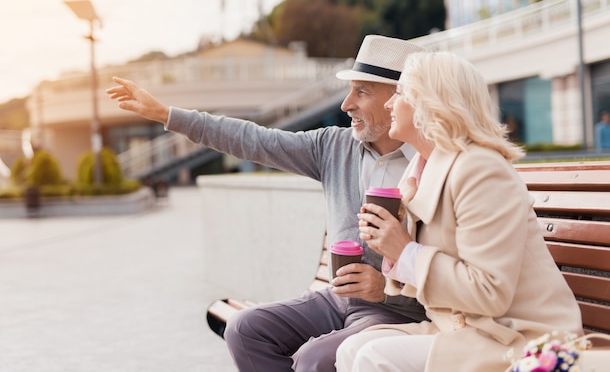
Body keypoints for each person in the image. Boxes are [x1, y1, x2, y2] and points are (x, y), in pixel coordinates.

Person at [105, 35, 429, 372]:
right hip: (336, 298)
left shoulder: (432, 161)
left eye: (361, 92)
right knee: (244, 329)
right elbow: (254, 140)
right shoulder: (334, 146)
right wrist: (165, 114)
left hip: (395, 309)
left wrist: (386, 291)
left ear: (398, 97)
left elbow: (456, 269)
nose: (346, 105)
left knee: (314, 359)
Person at [336, 51, 583, 372]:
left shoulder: (481, 170)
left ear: (431, 102)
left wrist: (405, 249)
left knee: (373, 358)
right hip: (462, 328)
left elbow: (489, 292)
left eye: (400, 93)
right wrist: (392, 249)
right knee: (351, 349)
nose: (389, 103)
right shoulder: (421, 169)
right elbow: (428, 279)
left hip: (519, 334)